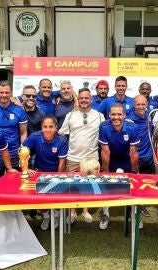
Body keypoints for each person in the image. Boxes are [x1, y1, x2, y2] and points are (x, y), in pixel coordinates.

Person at [59, 88, 105, 224]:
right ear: (77, 100)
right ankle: (72, 211)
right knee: (72, 186)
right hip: (73, 156)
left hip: (91, 158)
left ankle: (85, 211)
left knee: (88, 186)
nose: (84, 100)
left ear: (91, 100)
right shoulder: (70, 115)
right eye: (81, 98)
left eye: (87, 98)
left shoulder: (99, 115)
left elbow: (106, 130)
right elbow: (62, 134)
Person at [22, 116, 69, 230]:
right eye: (45, 127)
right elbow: (22, 150)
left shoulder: (62, 140)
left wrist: (58, 179)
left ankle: (56, 216)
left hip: (57, 171)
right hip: (40, 171)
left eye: (51, 127)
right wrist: (26, 168)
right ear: (41, 127)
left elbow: (62, 163)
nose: (48, 129)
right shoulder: (35, 136)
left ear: (56, 128)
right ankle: (46, 217)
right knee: (41, 197)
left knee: (57, 195)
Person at [98, 103, 140, 230]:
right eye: (113, 114)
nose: (116, 117)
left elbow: (134, 152)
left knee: (133, 186)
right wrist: (106, 170)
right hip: (112, 158)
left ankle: (135, 215)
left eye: (119, 114)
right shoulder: (104, 126)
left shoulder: (133, 127)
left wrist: (133, 170)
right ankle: (105, 213)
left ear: (124, 115)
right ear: (109, 115)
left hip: (127, 158)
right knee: (106, 185)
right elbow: (105, 151)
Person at [0, 80, 28, 173]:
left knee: (16, 183)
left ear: (11, 93)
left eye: (7, 92)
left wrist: (22, 150)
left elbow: (23, 133)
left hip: (14, 152)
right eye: (1, 92)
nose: (4, 95)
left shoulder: (19, 110)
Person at [128, 95, 154, 220]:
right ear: (134, 105)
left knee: (148, 181)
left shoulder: (151, 116)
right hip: (136, 155)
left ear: (147, 104)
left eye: (143, 104)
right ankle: (137, 205)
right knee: (136, 181)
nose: (141, 107)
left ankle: (146, 202)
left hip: (148, 155)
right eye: (138, 104)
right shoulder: (129, 118)